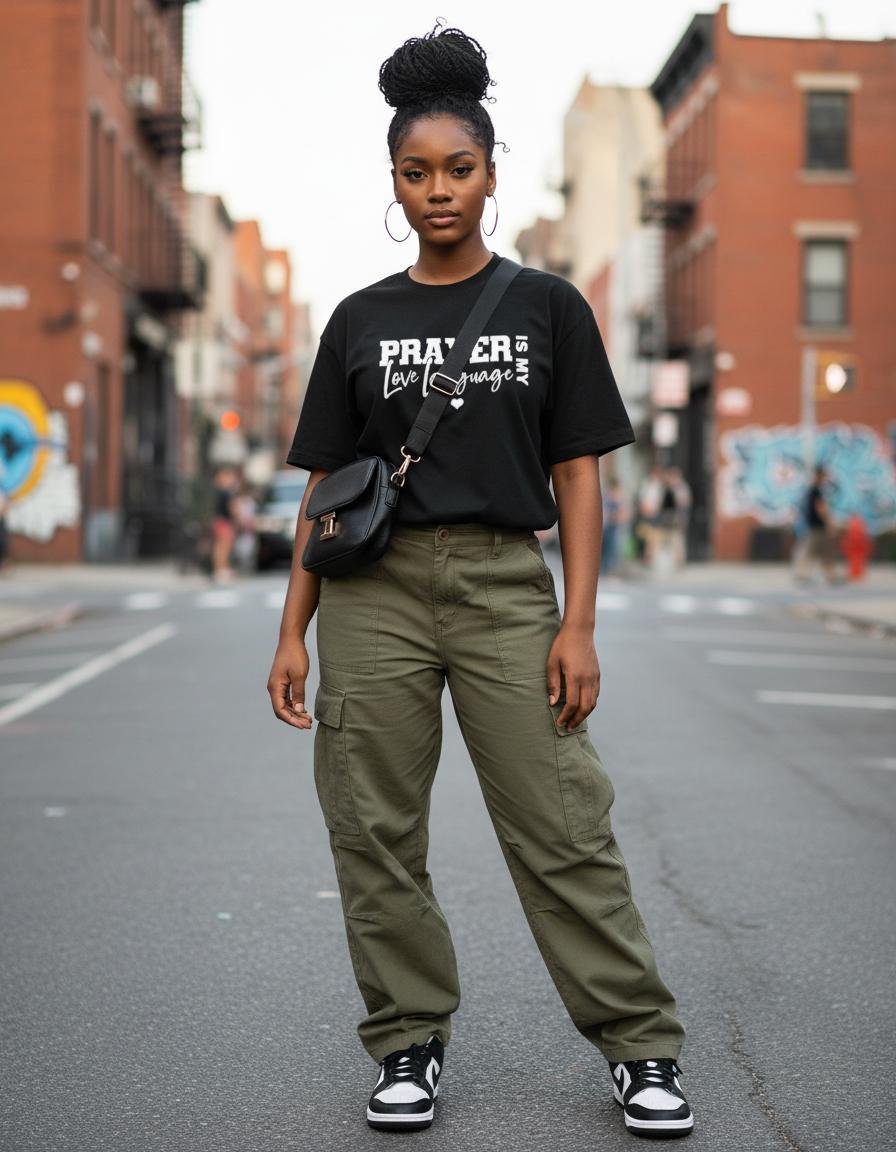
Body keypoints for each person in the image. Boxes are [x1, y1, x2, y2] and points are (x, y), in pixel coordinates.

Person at [267, 25, 693, 1140]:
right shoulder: (358, 318)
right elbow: (323, 485)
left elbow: (578, 472)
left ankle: (639, 1045)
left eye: (458, 169)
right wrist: (290, 632)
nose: (437, 191)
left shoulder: (546, 305)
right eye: (416, 173)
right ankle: (406, 1039)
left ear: (491, 174)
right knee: (370, 827)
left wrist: (578, 623)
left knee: (561, 823)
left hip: (508, 586)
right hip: (374, 598)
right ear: (393, 183)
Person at [796, 465, 839, 583]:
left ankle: (830, 575)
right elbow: (821, 509)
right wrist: (829, 523)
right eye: (824, 476)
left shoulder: (812, 490)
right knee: (815, 551)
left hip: (814, 526)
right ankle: (804, 574)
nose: (825, 479)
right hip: (817, 527)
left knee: (821, 551)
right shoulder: (816, 491)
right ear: (819, 476)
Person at [210, 466, 238, 582]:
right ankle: (221, 570)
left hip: (219, 521)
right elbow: (232, 508)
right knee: (224, 546)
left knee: (220, 546)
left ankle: (220, 569)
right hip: (224, 522)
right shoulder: (226, 492)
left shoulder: (218, 491)